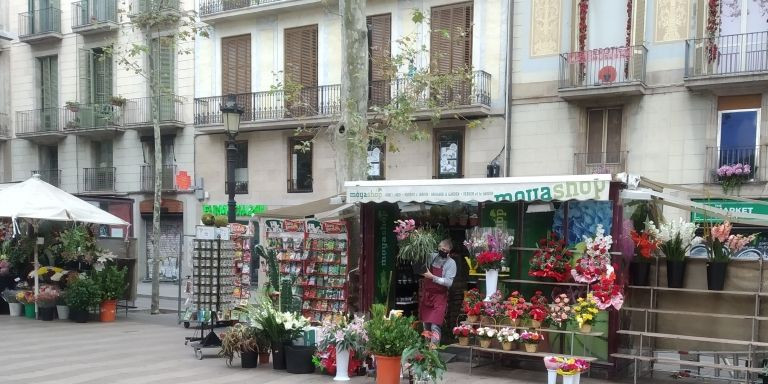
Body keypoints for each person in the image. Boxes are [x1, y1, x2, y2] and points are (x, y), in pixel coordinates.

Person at [418, 238, 457, 346]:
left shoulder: (451, 264)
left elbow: (449, 282)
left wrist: (433, 277)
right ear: (438, 248)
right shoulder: (431, 256)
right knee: (425, 325)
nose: (443, 252)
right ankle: (426, 350)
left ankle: (434, 351)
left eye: (446, 250)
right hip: (427, 295)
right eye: (442, 249)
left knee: (435, 325)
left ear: (449, 251)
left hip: (439, 297)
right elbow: (418, 263)